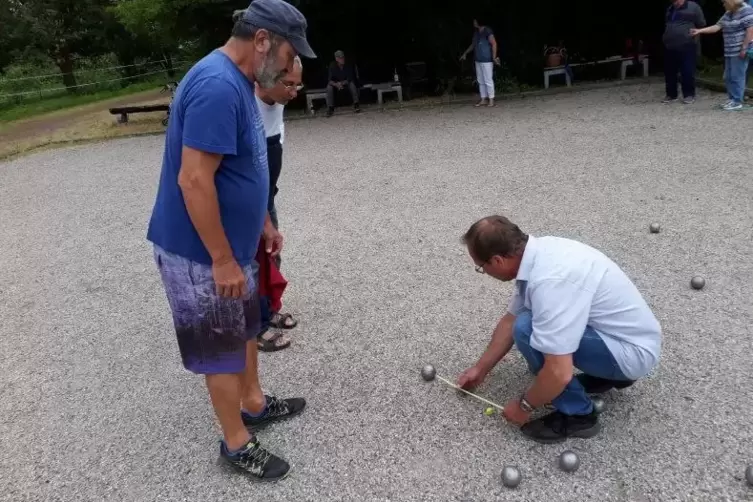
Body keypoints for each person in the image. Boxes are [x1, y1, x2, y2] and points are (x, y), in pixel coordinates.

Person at [146, 0, 316, 481]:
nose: (290, 65)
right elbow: (194, 180)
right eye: (289, 54)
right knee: (220, 345)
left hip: (233, 247)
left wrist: (261, 221)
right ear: (262, 41)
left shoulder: (241, 81)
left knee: (243, 330)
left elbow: (242, 164)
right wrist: (221, 259)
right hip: (202, 253)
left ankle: (254, 403)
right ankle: (236, 442)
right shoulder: (218, 86)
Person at [457, 216, 662, 443]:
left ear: (497, 261)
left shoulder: (549, 281)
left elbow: (559, 371)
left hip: (631, 354)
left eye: (481, 267)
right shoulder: (540, 253)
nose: (483, 272)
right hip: (628, 339)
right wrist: (480, 369)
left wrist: (525, 406)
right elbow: (509, 320)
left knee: (527, 329)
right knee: (524, 322)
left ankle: (579, 415)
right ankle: (606, 375)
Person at [254, 56, 303, 352]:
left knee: (273, 253)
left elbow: (277, 143)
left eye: (299, 84)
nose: (295, 92)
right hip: (249, 200)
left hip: (267, 193)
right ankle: (256, 327)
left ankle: (269, 309)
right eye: (289, 84)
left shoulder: (280, 101)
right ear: (266, 80)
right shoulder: (246, 105)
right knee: (252, 262)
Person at [691, 0, 753, 110]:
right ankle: (731, 99)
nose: (723, 5)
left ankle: (737, 101)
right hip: (729, 50)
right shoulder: (728, 13)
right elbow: (717, 26)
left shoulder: (746, 10)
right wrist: (699, 31)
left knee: (737, 76)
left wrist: (744, 47)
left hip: (740, 50)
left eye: (724, 2)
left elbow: (750, 30)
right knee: (728, 76)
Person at [662, 0, 706, 104]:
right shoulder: (670, 9)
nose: (675, 2)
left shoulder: (693, 7)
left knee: (687, 71)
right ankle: (671, 95)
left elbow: (701, 23)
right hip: (670, 45)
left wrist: (692, 34)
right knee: (670, 72)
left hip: (687, 44)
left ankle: (689, 95)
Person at [460, 18, 501, 107]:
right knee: (480, 80)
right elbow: (473, 44)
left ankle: (491, 100)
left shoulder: (487, 31)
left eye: (475, 21)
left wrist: (494, 57)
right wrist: (465, 53)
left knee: (488, 80)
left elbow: (494, 43)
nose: (474, 22)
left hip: (487, 59)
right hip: (478, 59)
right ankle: (483, 98)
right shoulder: (476, 32)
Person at [326, 50, 360, 117]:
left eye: (343, 57)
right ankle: (330, 108)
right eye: (340, 58)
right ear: (336, 59)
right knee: (329, 87)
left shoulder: (348, 64)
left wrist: (341, 83)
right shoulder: (332, 65)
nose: (342, 59)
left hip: (345, 83)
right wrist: (336, 84)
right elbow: (329, 80)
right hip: (336, 85)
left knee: (352, 84)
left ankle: (356, 104)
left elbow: (350, 78)